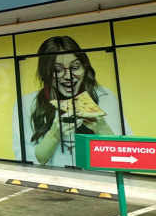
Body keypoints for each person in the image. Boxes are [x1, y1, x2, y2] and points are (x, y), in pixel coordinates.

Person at [13, 35, 122, 167]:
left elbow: (122, 158)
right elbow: (26, 160)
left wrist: (101, 128)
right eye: (57, 70)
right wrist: (54, 135)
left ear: (85, 67)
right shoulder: (27, 103)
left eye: (75, 67)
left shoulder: (104, 97)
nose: (68, 76)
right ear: (45, 73)